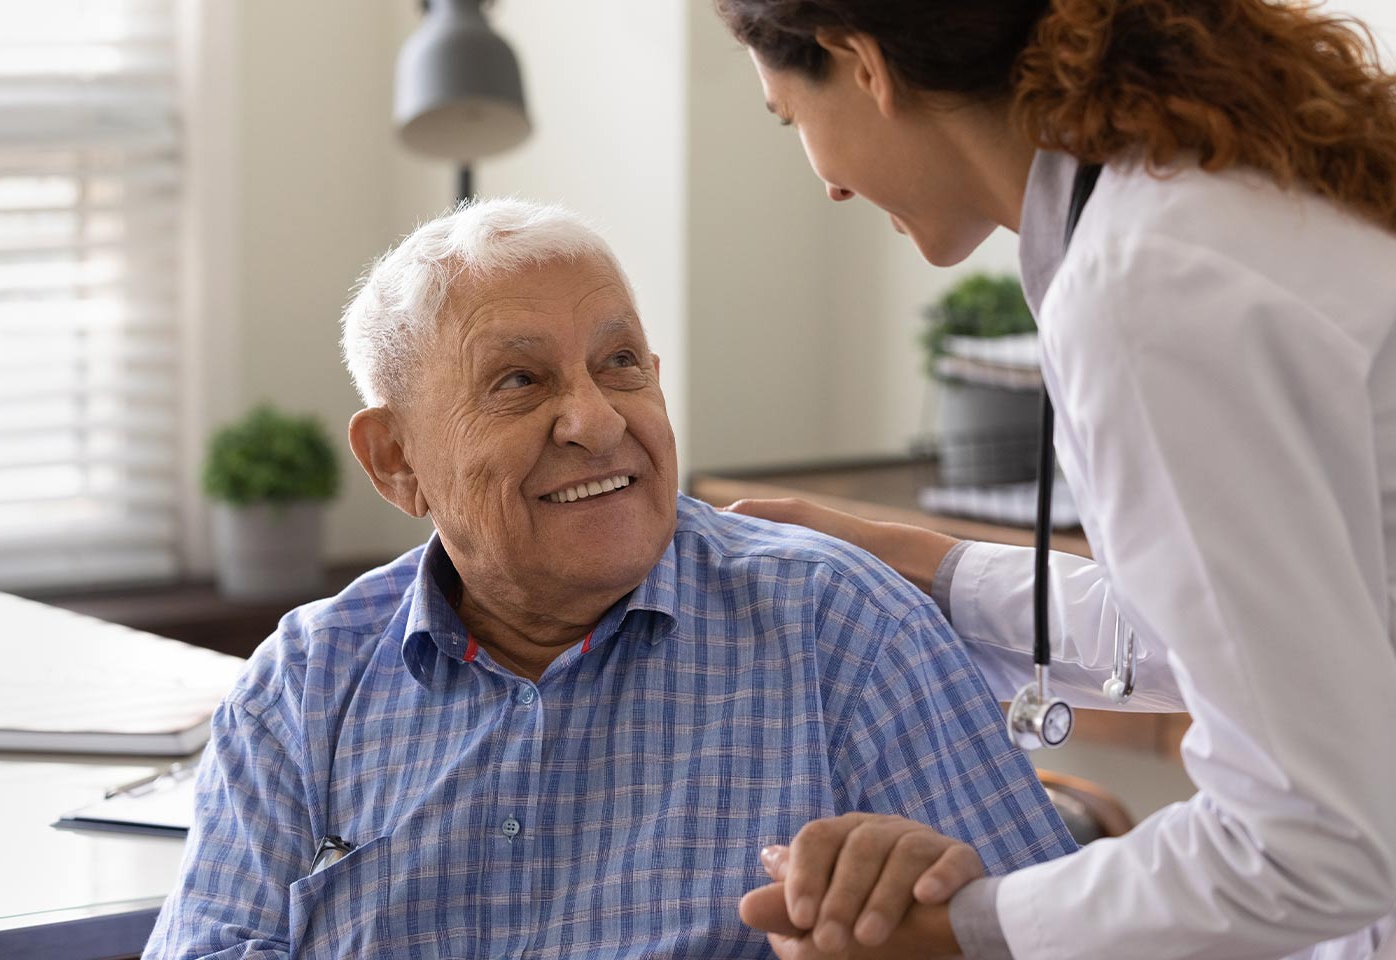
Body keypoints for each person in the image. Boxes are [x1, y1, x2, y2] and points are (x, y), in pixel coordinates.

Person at [141, 198, 1076, 959]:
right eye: (519, 382)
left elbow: (1050, 943)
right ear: (396, 461)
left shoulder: (838, 628)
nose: (594, 419)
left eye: (619, 363)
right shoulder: (303, 685)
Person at [711, 0, 1396, 958]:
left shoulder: (1144, 287)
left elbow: (1310, 844)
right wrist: (942, 573)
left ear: (862, 63)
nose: (823, 184)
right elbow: (1261, 628)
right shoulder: (1212, 192)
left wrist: (962, 930)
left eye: (792, 120)